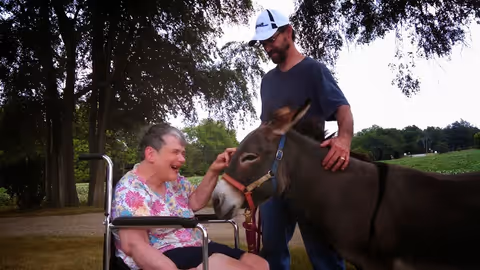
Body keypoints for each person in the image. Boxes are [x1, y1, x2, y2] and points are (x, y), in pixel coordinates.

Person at [247, 9, 355, 270]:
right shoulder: (267, 81)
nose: (267, 47)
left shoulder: (313, 70)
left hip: (310, 178)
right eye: (263, 43)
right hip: (275, 177)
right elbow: (266, 127)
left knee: (323, 253)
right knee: (271, 250)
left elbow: (343, 110)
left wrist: (343, 141)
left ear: (288, 33)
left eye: (271, 40)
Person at [111, 123, 269, 270]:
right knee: (223, 264)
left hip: (196, 244)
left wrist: (214, 170)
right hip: (164, 252)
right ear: (151, 154)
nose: (182, 159)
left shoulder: (174, 180)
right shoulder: (131, 189)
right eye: (175, 152)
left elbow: (195, 201)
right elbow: (134, 245)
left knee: (259, 263)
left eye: (183, 153)